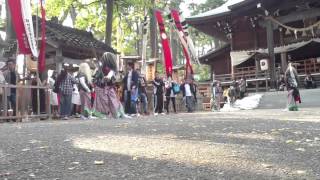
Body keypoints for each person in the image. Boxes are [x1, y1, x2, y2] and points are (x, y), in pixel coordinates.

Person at [93, 52, 130, 119]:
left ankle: (120, 114)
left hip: (109, 88)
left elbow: (111, 74)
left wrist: (108, 77)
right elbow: (96, 77)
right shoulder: (100, 67)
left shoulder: (111, 68)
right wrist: (102, 79)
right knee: (103, 102)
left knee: (114, 101)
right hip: (101, 88)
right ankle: (104, 115)